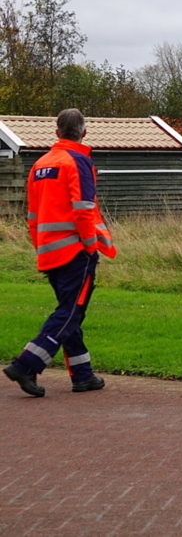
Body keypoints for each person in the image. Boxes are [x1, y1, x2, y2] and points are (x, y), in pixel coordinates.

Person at [4, 109, 117, 397]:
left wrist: (40, 245)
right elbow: (84, 210)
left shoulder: (40, 164)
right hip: (75, 250)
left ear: (56, 133)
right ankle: (26, 364)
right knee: (70, 312)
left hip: (48, 250)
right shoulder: (78, 161)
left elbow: (31, 215)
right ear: (84, 133)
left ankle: (83, 375)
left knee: (70, 313)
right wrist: (91, 247)